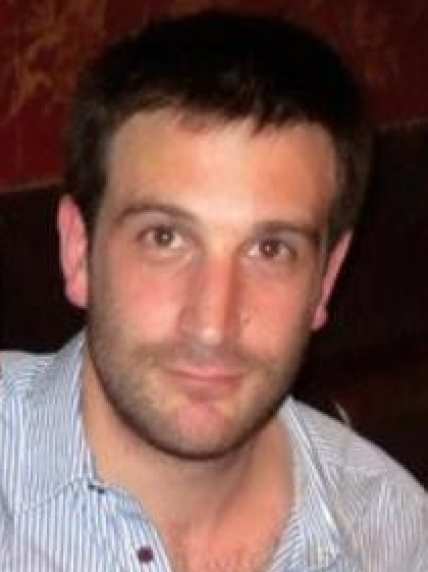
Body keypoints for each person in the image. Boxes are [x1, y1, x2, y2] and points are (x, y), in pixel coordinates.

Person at [0, 9, 426, 572]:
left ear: (326, 279)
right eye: (165, 238)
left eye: (270, 249)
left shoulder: (397, 536)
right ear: (79, 251)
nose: (211, 325)